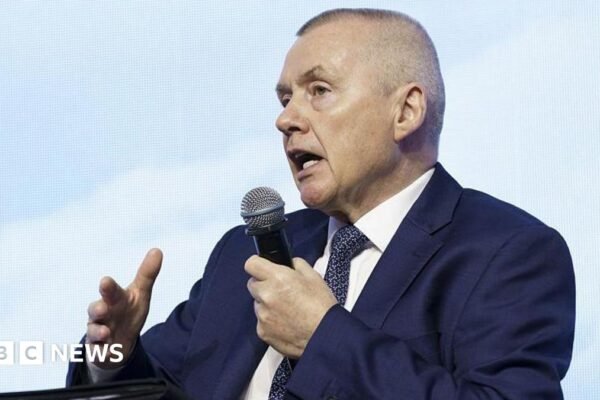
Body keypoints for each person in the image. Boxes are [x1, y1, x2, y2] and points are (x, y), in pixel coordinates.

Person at [67, 8, 575, 400]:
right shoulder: (241, 254)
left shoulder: (510, 253)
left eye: (319, 90)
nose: (286, 119)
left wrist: (322, 337)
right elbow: (159, 386)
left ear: (406, 111)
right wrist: (114, 356)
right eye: (285, 98)